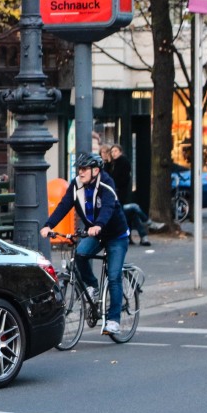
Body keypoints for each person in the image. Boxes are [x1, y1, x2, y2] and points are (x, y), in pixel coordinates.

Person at [40, 152, 130, 336]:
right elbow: (64, 205)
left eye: (84, 169)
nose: (80, 172)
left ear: (95, 170)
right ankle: (92, 286)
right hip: (96, 233)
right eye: (79, 169)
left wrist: (98, 225)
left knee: (113, 276)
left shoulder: (106, 183)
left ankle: (113, 320)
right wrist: (49, 225)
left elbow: (108, 207)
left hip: (116, 235)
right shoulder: (76, 185)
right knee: (80, 253)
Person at [101, 142, 162, 244]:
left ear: (120, 152)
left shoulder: (122, 163)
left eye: (115, 151)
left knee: (132, 212)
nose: (113, 153)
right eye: (112, 152)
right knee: (134, 209)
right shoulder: (110, 164)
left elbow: (117, 180)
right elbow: (110, 180)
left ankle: (143, 235)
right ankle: (147, 226)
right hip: (115, 199)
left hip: (120, 197)